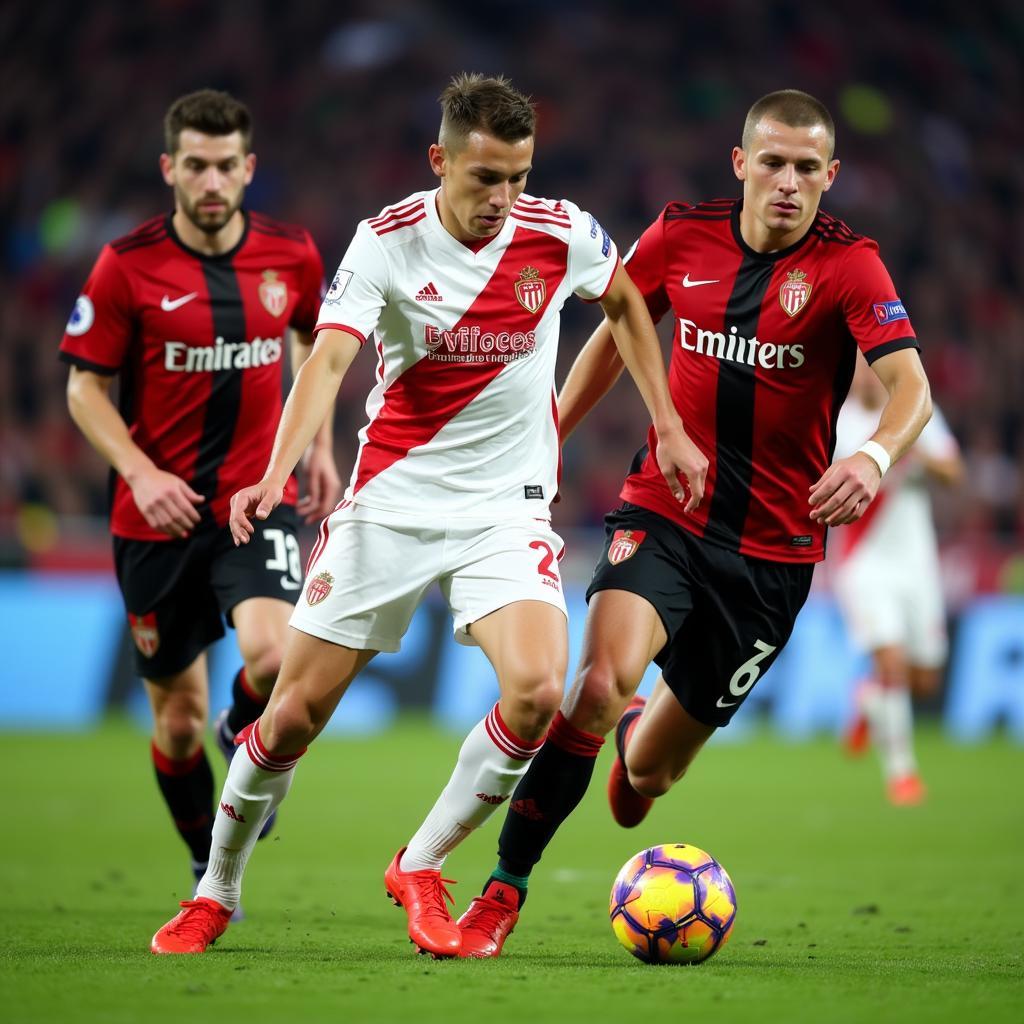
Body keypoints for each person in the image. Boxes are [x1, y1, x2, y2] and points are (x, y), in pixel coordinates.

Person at [149, 73, 705, 956]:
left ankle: (420, 863)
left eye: (519, 176)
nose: (504, 199)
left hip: (505, 507)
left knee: (533, 695)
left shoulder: (560, 234)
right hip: (392, 505)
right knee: (289, 717)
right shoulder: (387, 244)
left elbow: (629, 303)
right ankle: (214, 889)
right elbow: (329, 363)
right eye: (486, 177)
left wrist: (667, 425)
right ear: (440, 160)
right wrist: (274, 473)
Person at [455, 88, 934, 958]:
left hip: (772, 559)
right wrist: (549, 435)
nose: (787, 182)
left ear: (831, 176)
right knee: (593, 688)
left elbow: (912, 389)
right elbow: (613, 329)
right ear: (741, 163)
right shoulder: (682, 234)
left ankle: (641, 742)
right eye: (773, 162)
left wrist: (872, 457)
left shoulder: (850, 265)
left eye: (806, 168)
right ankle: (501, 890)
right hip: (664, 513)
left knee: (647, 776)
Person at [59, 89, 339, 907]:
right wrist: (141, 474)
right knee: (175, 724)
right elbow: (84, 388)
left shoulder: (291, 254)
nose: (211, 181)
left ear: (249, 168)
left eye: (226, 166)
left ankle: (242, 729)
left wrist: (317, 447)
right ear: (169, 170)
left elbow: (317, 347)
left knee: (278, 657)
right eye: (195, 165)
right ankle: (202, 859)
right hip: (154, 519)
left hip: (255, 499)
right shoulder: (127, 264)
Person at [831, 356, 963, 805]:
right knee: (890, 660)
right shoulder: (837, 421)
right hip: (863, 563)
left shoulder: (914, 411)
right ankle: (902, 773)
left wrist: (912, 449)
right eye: (858, 368)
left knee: (924, 678)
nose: (867, 375)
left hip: (917, 564)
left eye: (872, 366)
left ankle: (869, 699)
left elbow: (954, 473)